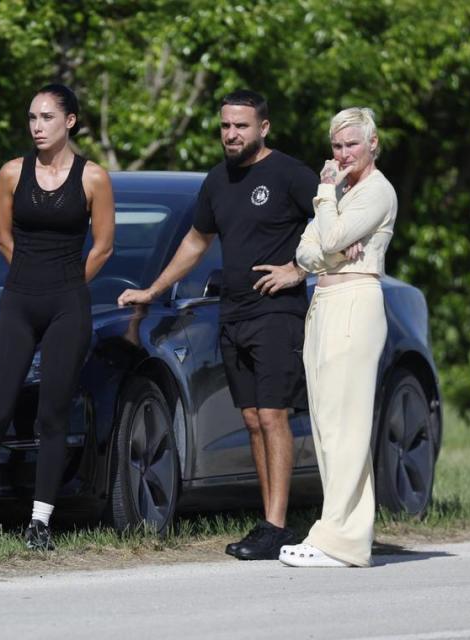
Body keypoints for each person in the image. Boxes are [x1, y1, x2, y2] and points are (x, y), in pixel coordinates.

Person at [118, 90, 317, 560]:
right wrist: (151, 289)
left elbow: (333, 223)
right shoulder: (216, 181)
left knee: (273, 416)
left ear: (263, 128)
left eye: (241, 126)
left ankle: (275, 524)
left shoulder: (289, 173)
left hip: (277, 314)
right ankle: (271, 523)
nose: (231, 134)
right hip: (234, 314)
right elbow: (195, 241)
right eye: (225, 126)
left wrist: (299, 270)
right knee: (251, 420)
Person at [0, 84, 115, 551]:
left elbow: (103, 246)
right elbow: (4, 238)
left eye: (46, 117)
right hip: (18, 301)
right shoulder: (10, 173)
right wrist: (31, 278)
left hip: (69, 304)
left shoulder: (94, 179)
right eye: (31, 118)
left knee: (52, 414)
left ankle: (40, 521)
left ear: (70, 122)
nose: (37, 126)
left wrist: (66, 282)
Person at [280, 107, 398, 568]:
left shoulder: (376, 191)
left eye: (352, 143)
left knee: (346, 426)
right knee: (329, 426)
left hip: (354, 303)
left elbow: (326, 238)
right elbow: (307, 249)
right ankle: (345, 536)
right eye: (337, 145)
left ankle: (337, 539)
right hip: (325, 305)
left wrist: (326, 198)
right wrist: (331, 241)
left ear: (373, 144)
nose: (343, 152)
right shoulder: (342, 192)